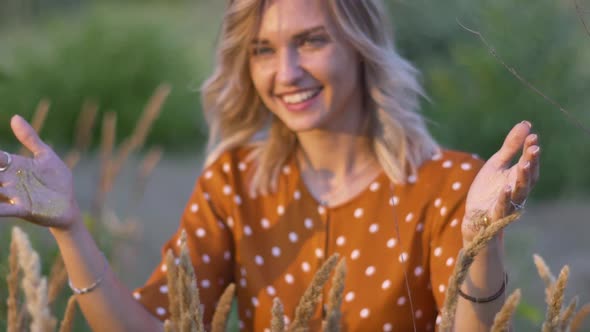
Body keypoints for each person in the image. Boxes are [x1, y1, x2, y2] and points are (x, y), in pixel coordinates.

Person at [0, 0, 540, 331]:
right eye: (262, 50)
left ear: (360, 47)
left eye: (310, 41)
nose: (286, 72)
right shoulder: (235, 183)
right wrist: (71, 229)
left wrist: (479, 239)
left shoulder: (446, 183)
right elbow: (155, 326)